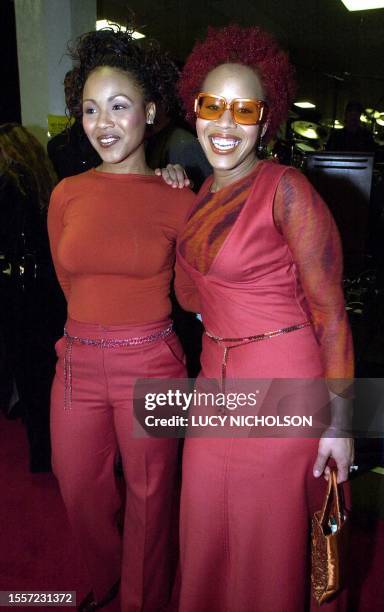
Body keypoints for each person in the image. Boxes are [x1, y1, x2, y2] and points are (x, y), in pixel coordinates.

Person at [169, 24, 354, 611]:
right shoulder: (196, 194)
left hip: (283, 380)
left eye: (242, 109)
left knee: (265, 542)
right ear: (193, 110)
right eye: (211, 106)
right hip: (213, 384)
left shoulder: (288, 190)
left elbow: (329, 311)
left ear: (265, 120)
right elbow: (193, 299)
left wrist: (342, 423)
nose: (224, 125)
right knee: (204, 529)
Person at [47, 29, 195, 612]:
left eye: (118, 105)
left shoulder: (180, 198)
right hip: (77, 363)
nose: (102, 122)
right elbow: (68, 279)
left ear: (150, 113)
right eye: (89, 108)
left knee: (152, 497)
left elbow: (189, 290)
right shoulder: (66, 193)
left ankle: (143, 599)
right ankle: (107, 576)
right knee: (77, 484)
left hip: (152, 364)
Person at [0, 123, 64, 471]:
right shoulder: (46, 184)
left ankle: (43, 453)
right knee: (50, 373)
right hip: (48, 293)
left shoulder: (9, 187)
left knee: (29, 374)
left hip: (20, 296)